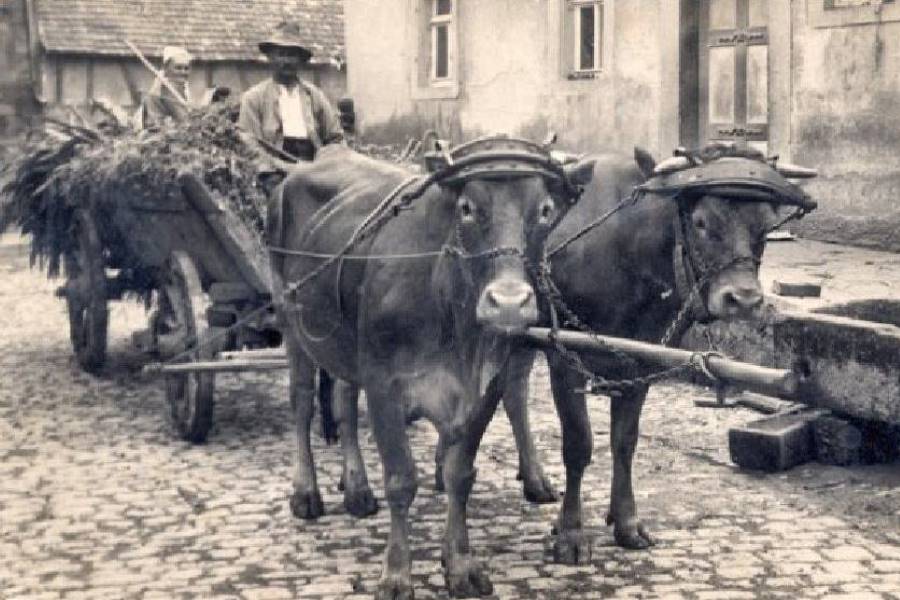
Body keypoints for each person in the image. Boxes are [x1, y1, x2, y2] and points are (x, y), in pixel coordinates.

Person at [238, 21, 344, 168]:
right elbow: (248, 142)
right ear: (270, 58)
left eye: (292, 55)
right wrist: (277, 165)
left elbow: (335, 137)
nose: (287, 61)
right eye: (281, 54)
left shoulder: (314, 96)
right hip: (274, 168)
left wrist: (324, 164)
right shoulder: (254, 98)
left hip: (314, 166)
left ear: (300, 60)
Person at [136, 46, 195, 129]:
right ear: (166, 68)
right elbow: (184, 119)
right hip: (159, 133)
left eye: (186, 68)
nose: (183, 72)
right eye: (178, 68)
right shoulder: (167, 87)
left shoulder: (177, 86)